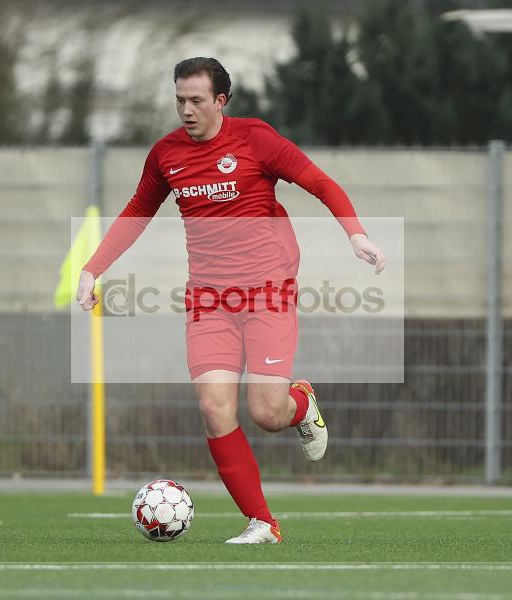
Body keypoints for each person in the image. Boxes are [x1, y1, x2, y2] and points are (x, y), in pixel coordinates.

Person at [76, 57, 385, 544]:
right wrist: (93, 268)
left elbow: (320, 183)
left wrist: (356, 235)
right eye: (179, 99)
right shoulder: (166, 155)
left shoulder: (254, 139)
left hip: (267, 292)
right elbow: (137, 210)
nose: (186, 110)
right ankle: (263, 522)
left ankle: (301, 404)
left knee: (266, 413)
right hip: (208, 300)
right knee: (214, 408)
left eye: (197, 100)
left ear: (221, 101)